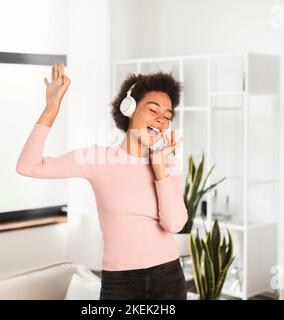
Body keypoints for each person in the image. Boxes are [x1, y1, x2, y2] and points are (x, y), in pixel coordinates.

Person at [16, 62, 188, 300]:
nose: (160, 120)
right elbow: (28, 166)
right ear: (129, 109)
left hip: (168, 277)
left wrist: (159, 169)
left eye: (167, 116)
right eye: (153, 110)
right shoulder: (97, 159)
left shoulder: (168, 164)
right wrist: (51, 108)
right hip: (120, 282)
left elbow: (175, 225)